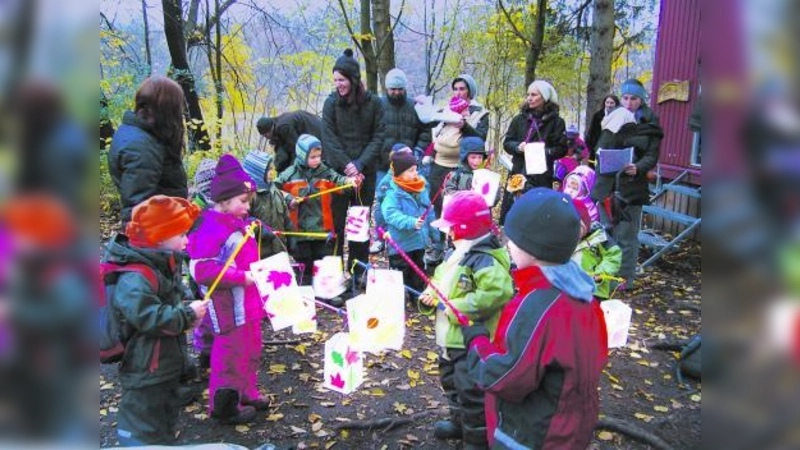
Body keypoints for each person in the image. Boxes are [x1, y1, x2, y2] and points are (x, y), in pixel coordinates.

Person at [460, 188, 608, 450]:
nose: (507, 244)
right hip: (573, 428)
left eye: (513, 239)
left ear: (534, 249)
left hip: (533, 434)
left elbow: (505, 378)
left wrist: (477, 342)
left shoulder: (537, 307)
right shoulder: (586, 297)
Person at [106, 195, 207, 445]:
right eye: (181, 234)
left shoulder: (160, 263)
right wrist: (186, 315)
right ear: (160, 237)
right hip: (145, 368)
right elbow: (148, 316)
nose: (187, 240)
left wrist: (185, 316)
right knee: (140, 425)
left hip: (162, 365)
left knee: (163, 420)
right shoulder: (135, 277)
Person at [419, 191, 514, 449]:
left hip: (471, 340)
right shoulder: (457, 252)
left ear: (465, 228)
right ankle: (458, 421)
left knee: (472, 392)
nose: (447, 233)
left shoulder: (485, 258)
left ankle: (477, 439)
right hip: (449, 337)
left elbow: (496, 293)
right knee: (450, 382)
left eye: (451, 228)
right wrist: (431, 291)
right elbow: (440, 276)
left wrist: (453, 306)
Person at [187, 154, 267, 425]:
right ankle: (224, 405)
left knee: (252, 349)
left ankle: (247, 392)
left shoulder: (238, 222)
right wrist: (240, 278)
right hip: (228, 309)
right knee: (231, 355)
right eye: (243, 202)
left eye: (248, 202)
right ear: (223, 201)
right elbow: (201, 269)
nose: (247, 207)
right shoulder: (210, 228)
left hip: (248, 305)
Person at [590, 79, 663, 290]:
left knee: (626, 236)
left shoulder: (650, 123)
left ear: (642, 99)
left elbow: (651, 155)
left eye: (634, 98)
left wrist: (638, 167)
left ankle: (624, 281)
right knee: (605, 233)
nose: (629, 103)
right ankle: (604, 277)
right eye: (625, 98)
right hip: (607, 185)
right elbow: (598, 148)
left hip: (632, 187)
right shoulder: (611, 118)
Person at [321, 49, 386, 285]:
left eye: (342, 80)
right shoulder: (330, 104)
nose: (338, 84)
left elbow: (379, 137)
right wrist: (347, 165)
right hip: (338, 174)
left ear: (353, 79)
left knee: (359, 224)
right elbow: (328, 138)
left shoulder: (374, 104)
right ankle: (335, 271)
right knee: (336, 225)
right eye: (335, 80)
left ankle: (359, 269)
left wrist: (359, 164)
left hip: (364, 175)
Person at [275, 134, 357, 290]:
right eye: (312, 157)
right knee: (304, 264)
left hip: (322, 228)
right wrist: (290, 199)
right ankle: (306, 294)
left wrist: (349, 181)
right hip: (300, 231)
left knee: (323, 262)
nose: (317, 160)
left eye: (318, 156)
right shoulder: (289, 174)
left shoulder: (325, 171)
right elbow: (275, 190)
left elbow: (338, 179)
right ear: (301, 155)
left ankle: (327, 293)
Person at [108, 76, 189, 226]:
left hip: (169, 223)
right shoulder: (141, 148)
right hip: (163, 233)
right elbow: (137, 210)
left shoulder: (144, 135)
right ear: (166, 109)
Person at [372, 68, 432, 254]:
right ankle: (381, 237)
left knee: (413, 201)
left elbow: (425, 131)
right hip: (383, 165)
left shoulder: (414, 106)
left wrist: (417, 152)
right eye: (393, 89)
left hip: (408, 165)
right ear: (386, 88)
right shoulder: (378, 107)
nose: (396, 92)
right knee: (383, 202)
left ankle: (415, 236)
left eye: (400, 89)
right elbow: (371, 133)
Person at [500, 80, 567, 224]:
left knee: (537, 215)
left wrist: (543, 151)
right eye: (528, 94)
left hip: (541, 175)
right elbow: (507, 143)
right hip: (518, 171)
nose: (529, 98)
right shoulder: (519, 119)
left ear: (544, 97)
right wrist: (519, 147)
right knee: (513, 213)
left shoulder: (557, 122)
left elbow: (561, 149)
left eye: (534, 95)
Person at [424, 96, 472, 266]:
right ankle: (437, 246)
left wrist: (465, 126)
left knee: (454, 209)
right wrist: (428, 156)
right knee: (437, 208)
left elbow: (474, 141)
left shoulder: (466, 127)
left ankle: (454, 247)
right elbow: (434, 142)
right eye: (463, 110)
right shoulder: (443, 125)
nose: (466, 112)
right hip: (437, 169)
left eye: (466, 110)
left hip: (456, 170)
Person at [380, 151, 435, 296]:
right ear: (399, 174)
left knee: (418, 273)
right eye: (410, 171)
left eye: (416, 169)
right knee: (400, 275)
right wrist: (411, 222)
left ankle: (417, 298)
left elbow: (428, 210)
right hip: (400, 245)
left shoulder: (421, 188)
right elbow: (391, 215)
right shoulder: (393, 194)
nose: (415, 173)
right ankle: (398, 300)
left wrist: (435, 232)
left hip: (418, 242)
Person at [243, 150, 291, 258]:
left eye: (271, 168)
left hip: (279, 252)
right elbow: (242, 223)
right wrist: (258, 229)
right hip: (259, 256)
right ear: (257, 172)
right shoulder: (248, 195)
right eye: (268, 169)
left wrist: (292, 244)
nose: (272, 172)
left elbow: (286, 219)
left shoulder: (275, 191)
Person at [571, 200, 622, 299]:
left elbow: (613, 255)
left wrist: (600, 273)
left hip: (596, 289)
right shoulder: (561, 239)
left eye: (576, 227)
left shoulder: (599, 236)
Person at [256, 111, 323, 173]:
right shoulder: (276, 123)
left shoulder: (283, 127)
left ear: (269, 130)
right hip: (310, 130)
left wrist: (291, 172)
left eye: (265, 135)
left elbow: (297, 150)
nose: (266, 137)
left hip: (317, 131)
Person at [444, 136, 499, 207]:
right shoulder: (456, 174)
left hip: (481, 213)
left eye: (480, 157)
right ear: (465, 157)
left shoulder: (487, 175)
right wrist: (467, 198)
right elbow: (448, 193)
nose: (476, 161)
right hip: (460, 213)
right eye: (473, 157)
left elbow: (496, 196)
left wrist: (487, 197)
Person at [585, 94, 620, 159]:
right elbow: (592, 132)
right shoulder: (598, 115)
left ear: (616, 104)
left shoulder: (620, 116)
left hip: (613, 148)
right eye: (607, 102)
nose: (609, 105)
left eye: (612, 103)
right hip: (597, 146)